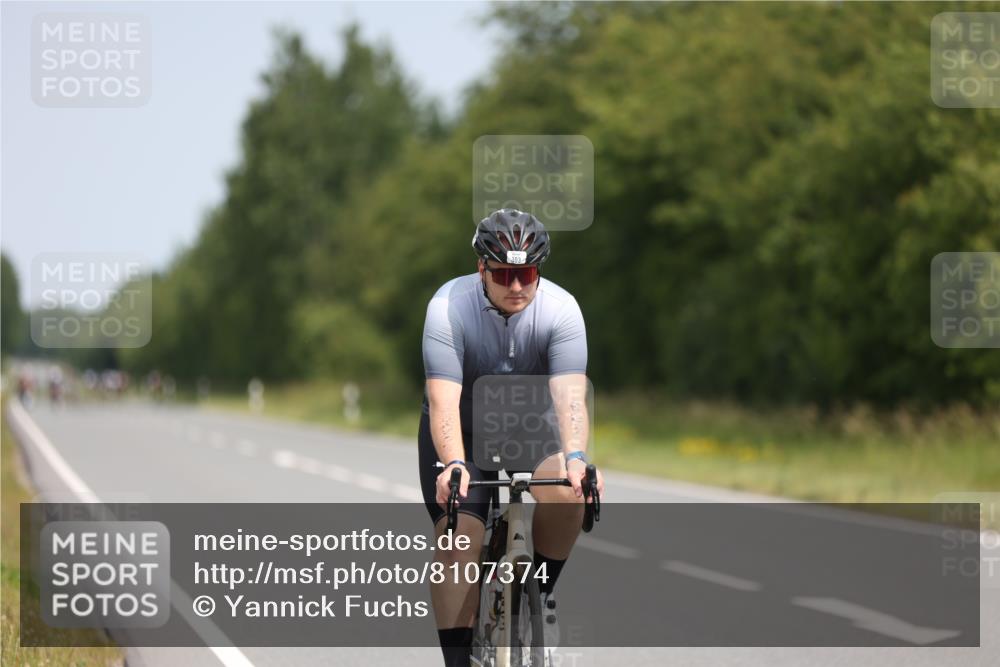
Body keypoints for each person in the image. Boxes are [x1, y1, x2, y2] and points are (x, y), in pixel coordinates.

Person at [418, 209, 605, 667]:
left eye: (527, 274)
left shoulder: (561, 310)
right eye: (503, 274)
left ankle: (540, 592)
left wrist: (576, 458)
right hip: (464, 429)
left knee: (571, 488)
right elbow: (443, 402)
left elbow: (570, 398)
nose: (516, 286)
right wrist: (454, 464)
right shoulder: (449, 307)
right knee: (458, 536)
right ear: (481, 268)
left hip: (531, 428)